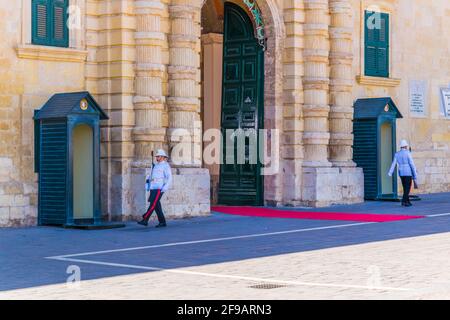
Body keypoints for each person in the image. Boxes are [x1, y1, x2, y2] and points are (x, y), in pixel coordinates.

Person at [138, 149, 172, 227]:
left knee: (153, 204)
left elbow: (169, 178)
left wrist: (164, 188)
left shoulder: (165, 165)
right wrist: (148, 185)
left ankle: (145, 219)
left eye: (158, 156)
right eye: (156, 156)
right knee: (156, 205)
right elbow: (151, 176)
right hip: (153, 187)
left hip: (159, 188)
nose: (157, 158)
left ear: (163, 157)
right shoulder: (155, 165)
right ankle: (162, 222)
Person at [388, 140, 418, 207]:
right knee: (407, 188)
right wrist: (415, 172)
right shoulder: (408, 153)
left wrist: (390, 172)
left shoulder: (397, 154)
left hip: (401, 172)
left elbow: (393, 164)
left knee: (405, 187)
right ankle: (404, 201)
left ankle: (408, 201)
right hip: (408, 172)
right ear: (405, 146)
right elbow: (411, 164)